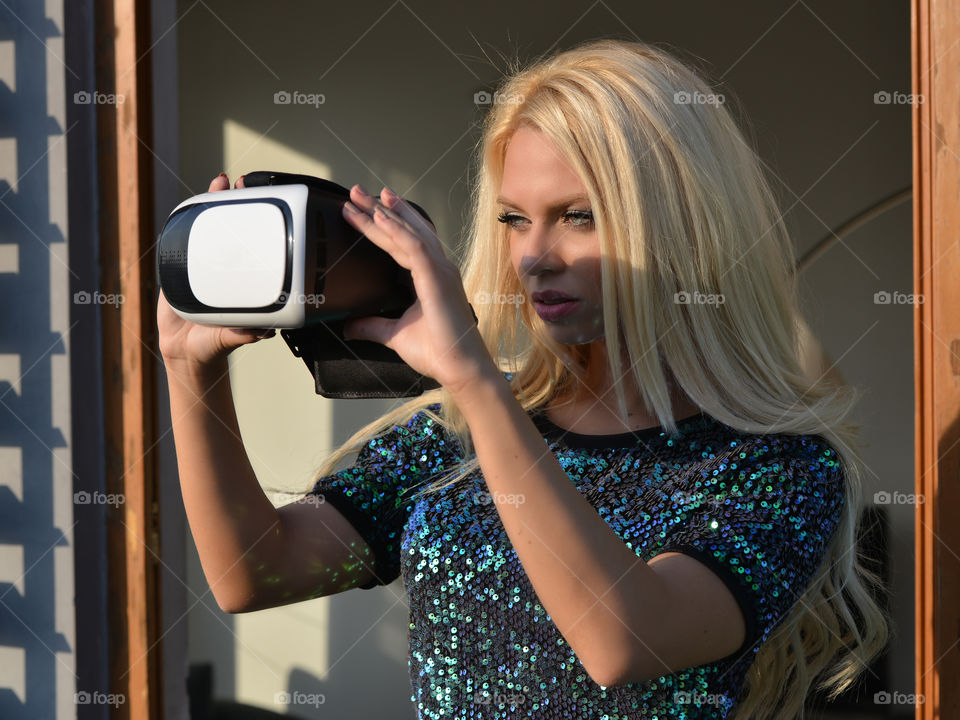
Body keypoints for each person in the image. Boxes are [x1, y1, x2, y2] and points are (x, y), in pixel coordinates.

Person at [158, 38, 889, 719]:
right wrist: (190, 371)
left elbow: (621, 641)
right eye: (514, 219)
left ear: (680, 227)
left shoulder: (780, 467)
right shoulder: (460, 432)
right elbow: (257, 574)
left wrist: (477, 384)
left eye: (577, 216)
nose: (535, 255)